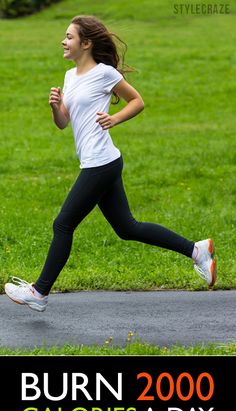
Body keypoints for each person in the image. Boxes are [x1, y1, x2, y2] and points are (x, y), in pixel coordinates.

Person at [4, 15, 217, 313]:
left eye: (69, 37)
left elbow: (137, 101)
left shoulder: (104, 73)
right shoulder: (69, 76)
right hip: (100, 161)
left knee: (63, 224)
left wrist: (114, 119)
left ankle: (39, 292)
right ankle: (197, 250)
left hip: (100, 163)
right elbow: (64, 123)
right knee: (127, 227)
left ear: (86, 43)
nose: (63, 42)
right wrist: (55, 107)